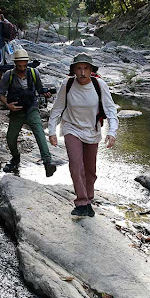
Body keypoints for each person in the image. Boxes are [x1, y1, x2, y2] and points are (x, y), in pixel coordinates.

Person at [48, 53, 118, 217]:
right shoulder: (68, 84)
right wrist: (52, 131)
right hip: (71, 128)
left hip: (92, 131)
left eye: (86, 68)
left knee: (90, 170)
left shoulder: (99, 85)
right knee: (75, 165)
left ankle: (88, 198)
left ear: (91, 70)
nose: (82, 72)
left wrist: (112, 132)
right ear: (73, 70)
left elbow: (110, 110)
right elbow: (57, 108)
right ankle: (81, 202)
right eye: (78, 68)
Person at [0, 49, 56, 177]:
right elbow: (0, 93)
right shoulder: (9, 75)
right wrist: (8, 105)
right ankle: (15, 158)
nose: (22, 68)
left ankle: (47, 162)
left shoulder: (34, 73)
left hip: (31, 108)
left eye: (25, 65)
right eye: (20, 66)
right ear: (15, 64)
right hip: (16, 110)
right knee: (10, 138)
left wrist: (45, 92)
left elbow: (39, 89)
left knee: (39, 131)